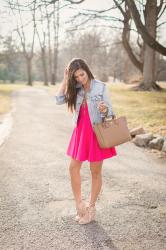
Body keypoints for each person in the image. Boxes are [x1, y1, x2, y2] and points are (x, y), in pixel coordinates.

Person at [55, 58, 117, 224]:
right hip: (80, 132)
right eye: (76, 77)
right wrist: (65, 78)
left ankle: (91, 207)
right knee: (73, 168)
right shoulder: (76, 88)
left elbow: (111, 113)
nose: (80, 79)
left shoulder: (101, 87)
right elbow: (59, 100)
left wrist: (105, 109)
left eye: (82, 75)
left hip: (96, 133)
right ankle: (79, 205)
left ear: (87, 71)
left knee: (95, 171)